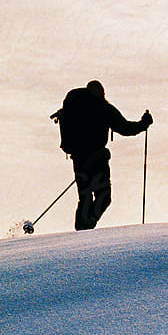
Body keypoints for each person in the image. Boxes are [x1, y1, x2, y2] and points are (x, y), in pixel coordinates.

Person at [51, 80, 152, 230]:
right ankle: (87, 226)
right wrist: (144, 123)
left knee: (84, 198)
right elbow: (125, 128)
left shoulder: (74, 107)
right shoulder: (103, 107)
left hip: (79, 160)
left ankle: (81, 232)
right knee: (104, 196)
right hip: (97, 159)